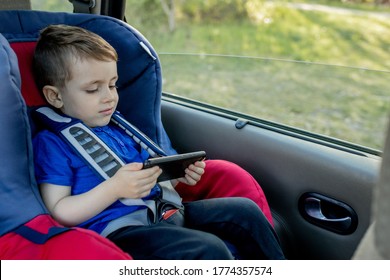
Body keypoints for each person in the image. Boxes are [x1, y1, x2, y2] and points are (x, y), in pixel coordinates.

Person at [32, 24, 285, 260]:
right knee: (209, 248)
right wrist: (114, 189)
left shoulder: (118, 128)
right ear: (55, 96)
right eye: (92, 89)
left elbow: (151, 175)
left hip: (164, 212)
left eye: (112, 85)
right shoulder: (53, 143)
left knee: (244, 211)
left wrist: (177, 176)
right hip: (122, 233)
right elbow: (59, 210)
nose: (109, 97)